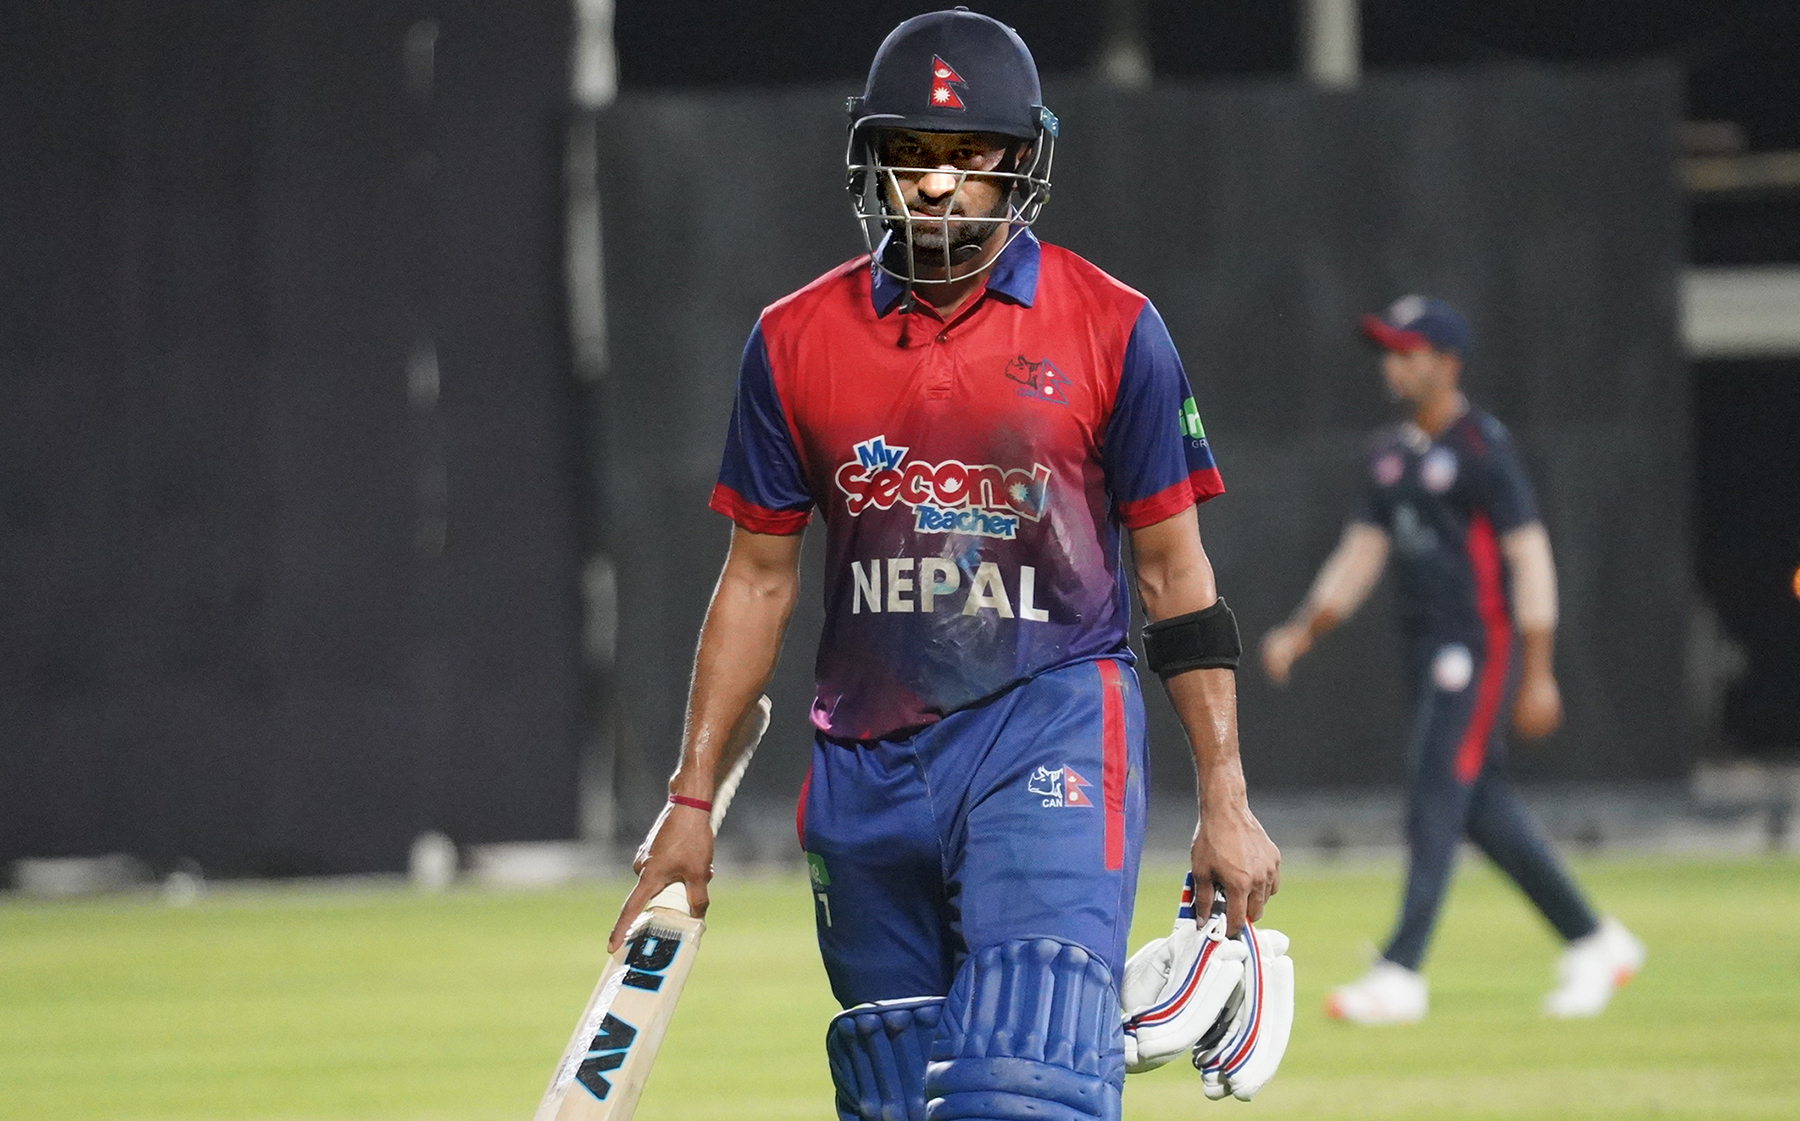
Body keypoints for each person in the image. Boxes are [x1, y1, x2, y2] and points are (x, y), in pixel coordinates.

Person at [606, 9, 1280, 1119]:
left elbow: (1175, 576)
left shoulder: (1115, 328)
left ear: (1021, 163)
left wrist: (1226, 796)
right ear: (871, 159)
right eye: (910, 153)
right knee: (896, 1096)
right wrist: (690, 799)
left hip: (1050, 723)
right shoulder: (792, 339)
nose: (935, 184)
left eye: (969, 156)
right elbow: (758, 580)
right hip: (863, 764)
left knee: (1022, 1086)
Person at [1260, 296, 1644, 1024]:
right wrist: (1303, 630)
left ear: (1447, 363)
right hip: (1425, 647)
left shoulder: (1482, 448)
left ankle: (1401, 971)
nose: (1393, 365)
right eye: (1388, 351)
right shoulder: (1388, 454)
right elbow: (1360, 554)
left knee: (1436, 789)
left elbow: (1530, 556)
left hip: (1478, 648)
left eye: (1407, 352)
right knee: (1480, 807)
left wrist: (1539, 669)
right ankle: (1596, 940)